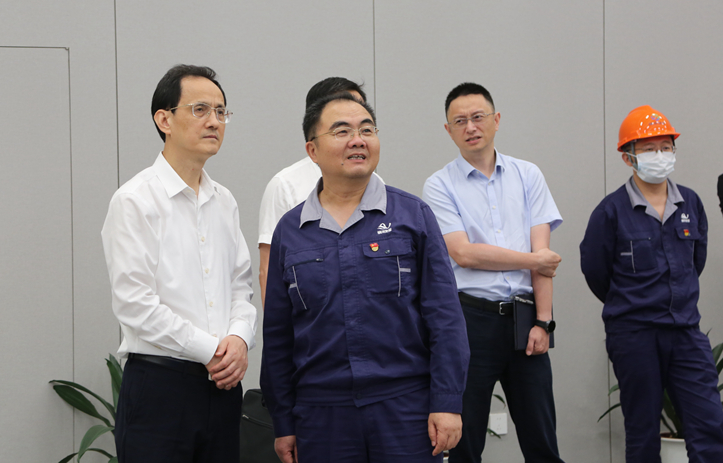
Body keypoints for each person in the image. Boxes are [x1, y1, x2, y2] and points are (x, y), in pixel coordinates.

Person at [261, 93, 469, 463]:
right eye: (342, 131)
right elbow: (278, 335)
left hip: (406, 408)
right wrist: (283, 421)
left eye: (367, 130)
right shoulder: (290, 231)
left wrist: (447, 402)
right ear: (312, 150)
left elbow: (445, 317)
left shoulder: (412, 216)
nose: (358, 140)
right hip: (321, 415)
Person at [101, 64, 257, 462]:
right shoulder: (135, 200)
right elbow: (134, 303)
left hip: (222, 388)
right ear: (164, 120)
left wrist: (239, 339)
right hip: (160, 388)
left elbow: (241, 286)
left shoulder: (224, 201)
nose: (214, 121)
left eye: (221, 112)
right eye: (200, 109)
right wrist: (212, 350)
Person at [423, 82, 565, 463]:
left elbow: (545, 256)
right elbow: (464, 253)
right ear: (448, 130)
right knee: (465, 443)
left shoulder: (528, 175)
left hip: (526, 320)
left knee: (542, 440)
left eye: (478, 117)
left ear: (496, 120)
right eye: (460, 121)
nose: (470, 127)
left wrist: (544, 321)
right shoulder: (439, 185)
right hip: (470, 322)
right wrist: (533, 261)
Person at [580, 105, 723, 462]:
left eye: (665, 146)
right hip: (635, 334)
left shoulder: (691, 203)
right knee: (642, 433)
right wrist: (633, 303)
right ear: (628, 157)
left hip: (686, 332)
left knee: (710, 426)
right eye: (648, 149)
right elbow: (596, 272)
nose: (659, 155)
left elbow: (695, 262)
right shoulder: (610, 211)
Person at [258, 77, 378, 306]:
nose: (356, 137)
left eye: (364, 126)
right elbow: (268, 272)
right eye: (342, 128)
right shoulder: (285, 184)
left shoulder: (381, 186)